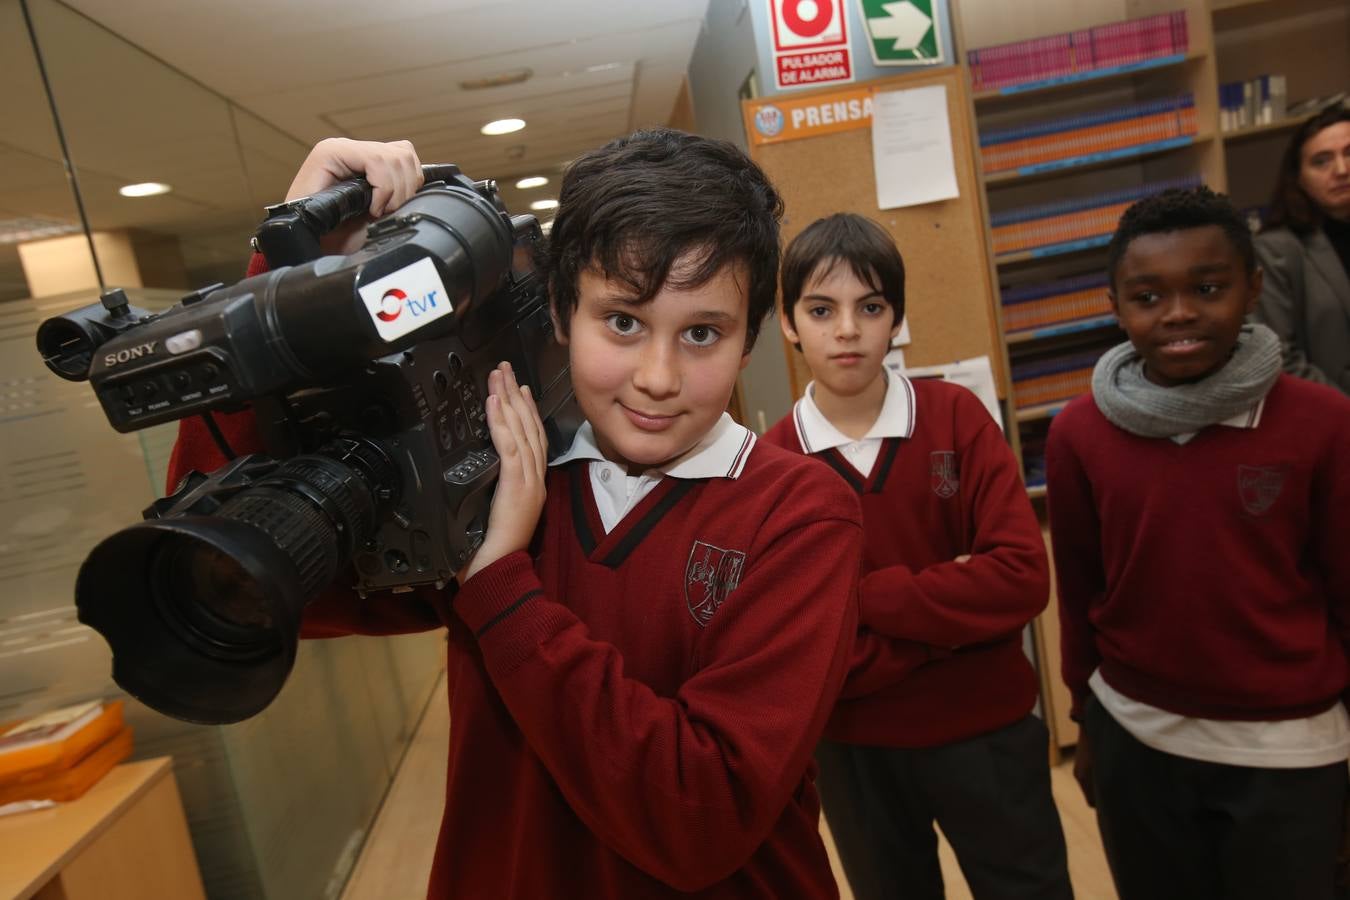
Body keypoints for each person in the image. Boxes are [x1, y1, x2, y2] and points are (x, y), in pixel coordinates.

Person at [167, 133, 865, 898]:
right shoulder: (488, 475)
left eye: (702, 333)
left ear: (749, 341)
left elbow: (699, 819)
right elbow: (240, 562)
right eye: (623, 322)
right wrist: (287, 268)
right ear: (561, 313)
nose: (658, 377)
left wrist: (499, 581)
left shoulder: (799, 515)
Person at [1046, 186, 1350, 900]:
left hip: (1290, 746)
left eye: (1208, 288)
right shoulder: (1078, 434)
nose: (1179, 312)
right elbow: (1082, 590)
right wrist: (1087, 721)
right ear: (1116, 306)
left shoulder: (1323, 421)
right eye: (1148, 297)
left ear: (1253, 288)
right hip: (1137, 736)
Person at [761, 213, 1072, 900]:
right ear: (788, 322)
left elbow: (1022, 578)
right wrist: (951, 628)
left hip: (988, 732)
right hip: (855, 750)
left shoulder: (957, 417)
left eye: (870, 307)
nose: (847, 330)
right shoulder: (771, 468)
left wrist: (863, 600)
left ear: (897, 319)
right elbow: (805, 652)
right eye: (822, 309)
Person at [1253, 105, 1350, 394]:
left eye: (1349, 154)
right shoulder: (1276, 250)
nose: (1342, 170)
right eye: (1322, 161)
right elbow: (1279, 359)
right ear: (1299, 179)